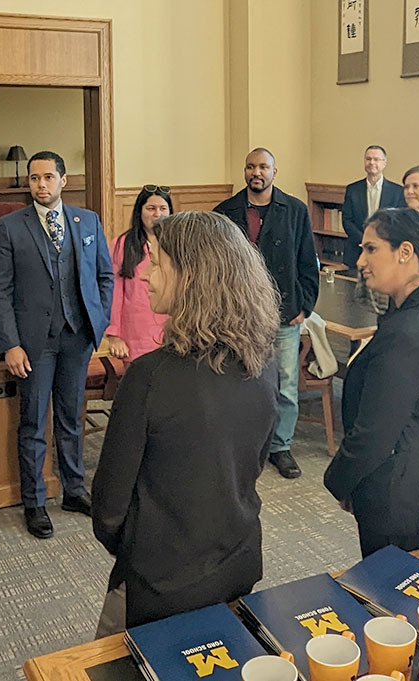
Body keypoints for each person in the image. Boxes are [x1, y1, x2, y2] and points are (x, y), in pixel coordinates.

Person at [92, 210, 280, 633]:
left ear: (191, 276)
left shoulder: (149, 377)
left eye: (156, 262)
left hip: (157, 584)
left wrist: (142, 551)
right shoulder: (263, 363)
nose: (144, 274)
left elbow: (108, 507)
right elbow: (253, 464)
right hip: (237, 565)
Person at [324, 208, 419, 558]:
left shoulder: (410, 330)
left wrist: (339, 481)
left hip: (407, 495)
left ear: (405, 252)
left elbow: (376, 432)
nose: (361, 260)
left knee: (394, 603)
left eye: (371, 249)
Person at [0, 150, 114, 539]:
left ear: (63, 180)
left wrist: (99, 320)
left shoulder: (87, 221)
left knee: (70, 418)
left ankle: (74, 490)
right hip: (33, 343)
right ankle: (36, 501)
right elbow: (0, 292)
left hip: (77, 337)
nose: (40, 185)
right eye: (33, 179)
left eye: (47, 177)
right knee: (32, 421)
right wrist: (10, 343)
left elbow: (105, 276)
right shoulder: (10, 228)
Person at [214, 148, 319, 480]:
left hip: (284, 312)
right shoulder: (225, 212)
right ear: (244, 171)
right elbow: (215, 267)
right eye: (250, 166)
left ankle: (280, 446)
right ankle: (243, 443)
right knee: (240, 380)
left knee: (285, 384)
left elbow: (308, 262)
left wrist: (305, 307)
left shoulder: (296, 210)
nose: (256, 172)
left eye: (263, 167)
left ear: (275, 172)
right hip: (239, 315)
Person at [105, 185, 172, 365]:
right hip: (135, 333)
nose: (157, 214)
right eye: (151, 208)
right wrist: (114, 334)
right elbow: (115, 291)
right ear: (139, 212)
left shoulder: (179, 243)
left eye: (163, 208)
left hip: (172, 332)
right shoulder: (122, 244)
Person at [341, 145, 406, 270]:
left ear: (384, 163)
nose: (372, 162)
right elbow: (347, 220)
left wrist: (379, 243)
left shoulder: (397, 192)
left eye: (376, 159)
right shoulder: (352, 189)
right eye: (368, 159)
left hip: (386, 251)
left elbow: (399, 223)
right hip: (356, 250)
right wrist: (365, 241)